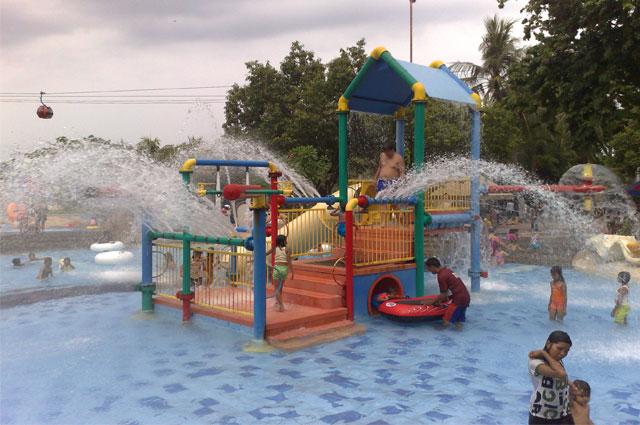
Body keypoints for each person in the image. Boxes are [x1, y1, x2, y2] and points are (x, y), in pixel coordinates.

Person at [528, 330, 576, 424]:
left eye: (566, 351)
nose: (563, 354)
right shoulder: (535, 363)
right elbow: (560, 374)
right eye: (559, 348)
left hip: (563, 412)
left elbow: (557, 378)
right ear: (548, 343)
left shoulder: (557, 361)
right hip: (541, 415)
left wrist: (570, 384)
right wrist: (544, 353)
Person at [422, 257, 471, 330]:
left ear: (432, 267)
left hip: (458, 300)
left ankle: (443, 331)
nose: (429, 270)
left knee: (446, 320)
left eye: (428, 268)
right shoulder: (448, 271)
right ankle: (460, 333)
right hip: (466, 297)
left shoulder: (441, 276)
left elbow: (443, 294)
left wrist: (431, 302)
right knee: (456, 321)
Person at [265, 235, 293, 312]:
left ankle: (281, 305)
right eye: (285, 240)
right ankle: (278, 302)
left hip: (277, 269)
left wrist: (254, 259)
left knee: (276, 289)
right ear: (282, 242)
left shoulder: (274, 249)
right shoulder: (287, 249)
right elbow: (289, 260)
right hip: (284, 269)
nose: (286, 241)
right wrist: (292, 272)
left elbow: (264, 254)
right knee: (280, 288)